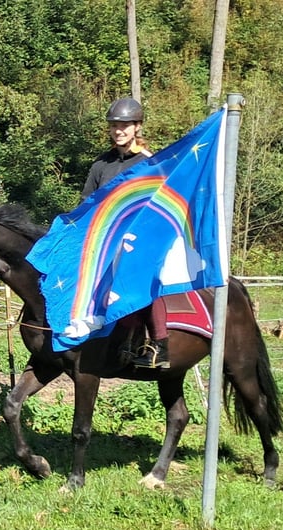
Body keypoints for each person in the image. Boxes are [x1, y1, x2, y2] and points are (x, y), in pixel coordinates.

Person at [80, 97, 170, 369]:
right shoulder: (101, 165)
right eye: (114, 126)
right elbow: (87, 203)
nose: (119, 131)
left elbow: (159, 204)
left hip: (139, 239)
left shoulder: (150, 163)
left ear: (137, 127)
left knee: (140, 275)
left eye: (125, 126)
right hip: (104, 238)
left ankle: (159, 345)